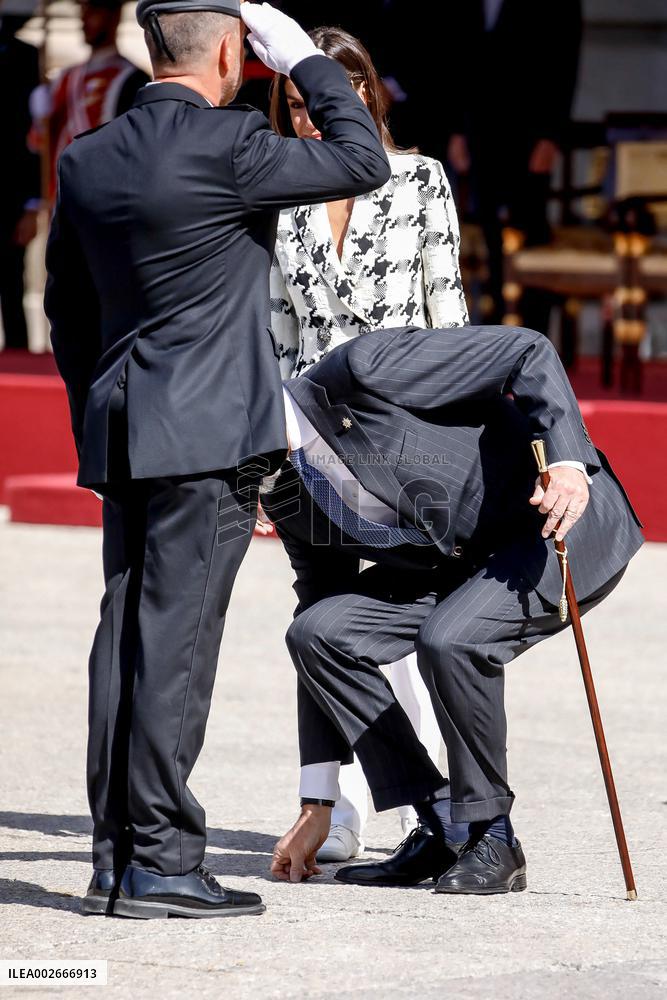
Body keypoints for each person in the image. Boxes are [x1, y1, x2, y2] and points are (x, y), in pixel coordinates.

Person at [45, 0, 390, 919]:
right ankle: (160, 860)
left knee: (126, 639)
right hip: (206, 438)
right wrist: (305, 65)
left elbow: (67, 316)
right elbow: (363, 158)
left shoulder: (86, 157)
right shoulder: (232, 145)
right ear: (237, 52)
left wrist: (104, 405)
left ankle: (117, 856)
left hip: (125, 428)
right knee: (177, 648)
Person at [260, 322, 643, 891]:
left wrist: (567, 461)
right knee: (319, 633)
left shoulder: (363, 369)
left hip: (548, 527)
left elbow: (526, 350)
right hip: (459, 563)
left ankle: (493, 835)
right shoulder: (277, 484)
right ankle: (440, 822)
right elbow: (320, 605)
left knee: (452, 637)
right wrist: (317, 800)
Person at [268, 25, 468, 862]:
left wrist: (465, 433)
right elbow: (277, 332)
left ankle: (441, 804)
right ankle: (333, 806)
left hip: (407, 436)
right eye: (295, 99)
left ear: (363, 92)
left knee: (413, 628)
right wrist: (267, 457)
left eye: (327, 92)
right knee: (318, 618)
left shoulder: (419, 179)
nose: (312, 112)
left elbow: (447, 312)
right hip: (308, 446)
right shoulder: (274, 191)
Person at [446, 0, 582, 328]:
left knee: (529, 235)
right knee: (483, 239)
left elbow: (565, 60)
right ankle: (486, 340)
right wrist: (455, 130)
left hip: (531, 135)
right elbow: (455, 58)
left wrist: (552, 136)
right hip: (479, 133)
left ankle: (534, 337)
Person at [29, 0, 149, 201]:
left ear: (115, 15)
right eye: (82, 9)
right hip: (61, 201)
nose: (84, 18)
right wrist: (41, 119)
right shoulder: (64, 78)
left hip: (104, 200)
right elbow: (39, 145)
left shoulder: (133, 79)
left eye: (93, 10)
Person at [0, 13, 41, 350]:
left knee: (12, 285)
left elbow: (34, 136)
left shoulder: (24, 56)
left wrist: (32, 204)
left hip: (9, 194)